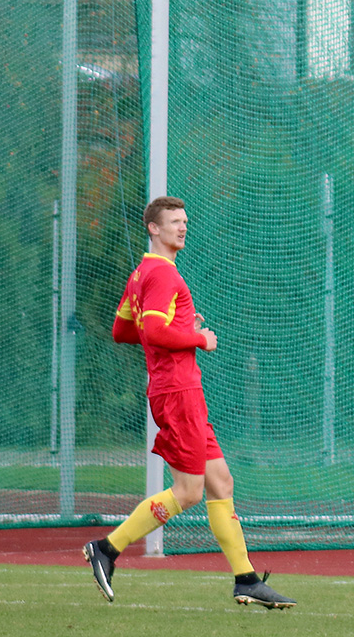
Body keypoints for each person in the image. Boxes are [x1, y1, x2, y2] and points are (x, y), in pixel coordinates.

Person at [82, 196, 295, 609]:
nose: (182, 227)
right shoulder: (162, 274)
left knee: (221, 483)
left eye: (184, 221)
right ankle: (106, 548)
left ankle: (246, 580)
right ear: (153, 228)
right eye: (174, 222)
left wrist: (179, 328)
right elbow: (155, 333)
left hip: (180, 391)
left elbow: (123, 331)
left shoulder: (141, 274)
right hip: (177, 392)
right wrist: (198, 338)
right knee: (188, 491)